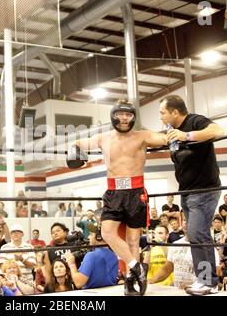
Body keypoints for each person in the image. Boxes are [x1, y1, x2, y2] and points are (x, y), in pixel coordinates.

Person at [67, 100, 167, 296]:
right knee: (107, 233)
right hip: (114, 192)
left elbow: (164, 138)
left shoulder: (142, 136)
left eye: (128, 115)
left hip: (136, 191)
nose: (124, 118)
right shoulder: (103, 138)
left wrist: (177, 132)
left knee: (133, 239)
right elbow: (78, 142)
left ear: (133, 117)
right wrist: (74, 150)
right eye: (120, 114)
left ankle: (130, 282)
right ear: (113, 116)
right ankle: (137, 267)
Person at [159, 94, 224, 295]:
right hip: (187, 191)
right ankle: (204, 280)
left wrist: (187, 136)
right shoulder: (170, 131)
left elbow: (218, 130)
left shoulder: (194, 121)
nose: (160, 116)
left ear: (175, 112)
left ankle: (208, 282)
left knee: (198, 234)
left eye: (163, 112)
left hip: (204, 189)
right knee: (195, 235)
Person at [66, 223, 119, 289]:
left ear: (98, 237)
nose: (88, 237)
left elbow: (79, 282)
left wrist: (72, 264)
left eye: (91, 234)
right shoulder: (114, 255)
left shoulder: (91, 256)